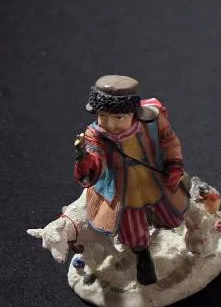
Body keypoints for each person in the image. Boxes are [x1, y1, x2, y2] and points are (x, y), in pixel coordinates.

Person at [74, 75, 188, 285]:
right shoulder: (95, 135)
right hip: (123, 190)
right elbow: (95, 164)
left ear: (133, 114)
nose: (110, 124)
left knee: (172, 213)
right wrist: (85, 162)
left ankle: (168, 230)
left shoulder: (151, 122)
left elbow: (169, 141)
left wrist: (173, 165)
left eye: (118, 118)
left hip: (153, 179)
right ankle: (143, 257)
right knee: (132, 228)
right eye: (103, 116)